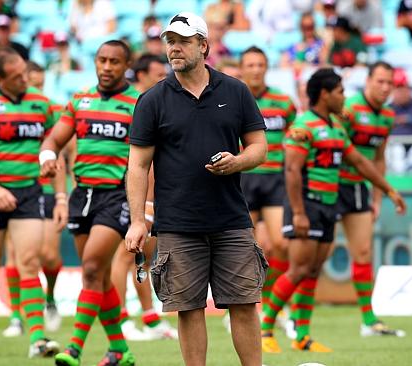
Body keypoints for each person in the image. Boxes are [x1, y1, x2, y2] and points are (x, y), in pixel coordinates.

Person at [126, 12, 268, 366]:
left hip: (231, 218)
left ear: (203, 45)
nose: (174, 48)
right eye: (170, 41)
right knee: (187, 308)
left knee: (245, 303)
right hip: (177, 223)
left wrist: (237, 162)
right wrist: (138, 221)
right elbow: (138, 165)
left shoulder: (236, 91)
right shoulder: (152, 100)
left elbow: (259, 148)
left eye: (183, 41)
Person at [260, 67, 406, 353]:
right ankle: (265, 327)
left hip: (328, 205)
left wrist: (388, 189)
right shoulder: (303, 127)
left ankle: (302, 335)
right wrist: (299, 212)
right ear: (325, 95)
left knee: (312, 270)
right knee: (299, 267)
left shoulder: (337, 128)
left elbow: (361, 163)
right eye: (340, 91)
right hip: (307, 204)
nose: (344, 97)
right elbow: (291, 170)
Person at [41, 40, 138, 366]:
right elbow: (55, 138)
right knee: (98, 275)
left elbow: (149, 158)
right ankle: (119, 350)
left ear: (126, 65)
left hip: (117, 194)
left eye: (114, 61)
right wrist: (48, 156)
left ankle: (74, 349)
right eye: (102, 60)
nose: (107, 67)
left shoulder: (138, 103)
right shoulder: (80, 100)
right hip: (81, 193)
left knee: (92, 268)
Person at [0, 47, 62, 359]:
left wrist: (54, 179)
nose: (25, 80)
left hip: (29, 193)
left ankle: (36, 338)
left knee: (29, 263)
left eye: (24, 72)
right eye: (17, 76)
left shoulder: (41, 104)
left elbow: (53, 148)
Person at [332, 61, 405, 337]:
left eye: (390, 83)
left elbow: (379, 159)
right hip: (331, 185)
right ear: (368, 81)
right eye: (380, 81)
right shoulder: (349, 109)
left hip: (359, 189)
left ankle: (368, 319)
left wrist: (377, 198)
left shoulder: (387, 116)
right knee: (315, 255)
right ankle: (290, 316)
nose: (385, 88)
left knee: (363, 252)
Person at [110, 53, 176, 342]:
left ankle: (149, 318)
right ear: (140, 76)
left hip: (144, 191)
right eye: (158, 74)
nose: (164, 79)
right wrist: (146, 202)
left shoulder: (154, 103)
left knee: (143, 257)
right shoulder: (141, 104)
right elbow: (138, 160)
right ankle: (121, 319)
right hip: (122, 191)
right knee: (124, 256)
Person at [1, 60, 67, 337]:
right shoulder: (8, 110)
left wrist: (63, 194)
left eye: (41, 84)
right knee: (16, 255)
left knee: (49, 257)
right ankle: (17, 314)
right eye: (32, 83)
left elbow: (63, 152)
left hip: (47, 190)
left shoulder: (50, 110)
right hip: (16, 187)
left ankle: (49, 298)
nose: (36, 88)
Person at [238, 46, 296, 333]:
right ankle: (247, 307)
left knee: (281, 245)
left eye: (261, 64)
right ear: (242, 67)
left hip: (274, 179)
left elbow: (297, 140)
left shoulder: (283, 102)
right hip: (243, 179)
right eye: (250, 64)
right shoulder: (232, 98)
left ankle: (274, 303)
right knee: (244, 250)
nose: (256, 69)